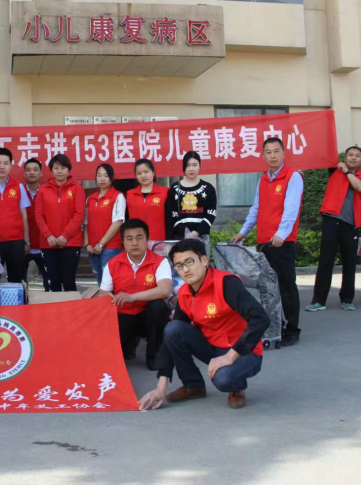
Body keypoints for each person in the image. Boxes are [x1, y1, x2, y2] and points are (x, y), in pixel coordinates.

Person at [139, 239, 270, 410]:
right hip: (212, 346)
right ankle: (193, 386)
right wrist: (161, 387)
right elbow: (170, 339)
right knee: (173, 329)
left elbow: (261, 318)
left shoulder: (226, 283)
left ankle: (237, 388)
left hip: (242, 351)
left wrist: (230, 356)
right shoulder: (185, 293)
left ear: (204, 260)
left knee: (223, 379)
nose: (185, 269)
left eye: (189, 262)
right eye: (179, 265)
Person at [232, 137, 303, 347]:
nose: (273, 156)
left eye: (276, 151)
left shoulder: (293, 176)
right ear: (263, 156)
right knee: (269, 288)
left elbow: (291, 210)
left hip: (282, 243)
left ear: (284, 153)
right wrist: (243, 232)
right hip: (264, 242)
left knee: (286, 286)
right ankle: (275, 326)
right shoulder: (263, 179)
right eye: (268, 152)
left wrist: (281, 234)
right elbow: (256, 208)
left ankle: (292, 329)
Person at [100, 219, 172, 370]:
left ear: (147, 240)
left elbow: (165, 290)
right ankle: (131, 342)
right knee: (123, 354)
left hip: (147, 316)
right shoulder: (113, 263)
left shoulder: (160, 262)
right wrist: (110, 297)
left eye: (139, 238)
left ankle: (153, 355)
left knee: (158, 307)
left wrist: (131, 297)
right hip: (123, 315)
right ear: (123, 242)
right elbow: (103, 292)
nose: (134, 243)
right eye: (129, 238)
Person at [307, 146, 361, 312]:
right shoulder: (334, 170)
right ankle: (318, 300)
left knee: (349, 263)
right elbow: (324, 153)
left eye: (357, 156)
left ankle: (347, 299)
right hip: (331, 220)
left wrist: (347, 172)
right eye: (350, 155)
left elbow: (360, 188)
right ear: (345, 156)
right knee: (325, 261)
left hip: (351, 224)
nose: (353, 158)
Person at [35, 154, 85, 292]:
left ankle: (72, 307)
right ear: (51, 170)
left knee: (69, 281)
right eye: (56, 168)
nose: (59, 171)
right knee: (53, 283)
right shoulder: (43, 189)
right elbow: (39, 215)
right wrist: (48, 235)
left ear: (68, 170)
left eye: (63, 168)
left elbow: (79, 214)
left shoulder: (77, 188)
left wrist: (65, 235)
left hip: (70, 243)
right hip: (48, 243)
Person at [0, 148, 31, 284]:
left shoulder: (18, 186)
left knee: (16, 279)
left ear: (11, 165)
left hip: (16, 241)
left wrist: (26, 241)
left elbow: (24, 215)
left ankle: (16, 300)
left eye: (5, 163)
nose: (2, 167)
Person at [166, 151, 217, 255]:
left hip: (202, 237)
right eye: (188, 165)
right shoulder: (174, 188)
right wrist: (185, 234)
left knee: (201, 264)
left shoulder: (208, 188)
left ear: (200, 166)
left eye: (194, 165)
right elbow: (172, 214)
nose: (191, 169)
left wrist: (195, 233)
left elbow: (211, 214)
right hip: (180, 238)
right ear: (183, 166)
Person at [84, 163, 125, 285]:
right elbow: (85, 223)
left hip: (111, 247)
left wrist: (101, 244)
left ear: (112, 178)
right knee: (99, 280)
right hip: (92, 248)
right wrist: (86, 244)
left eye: (106, 175)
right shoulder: (90, 198)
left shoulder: (118, 196)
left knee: (110, 281)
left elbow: (117, 222)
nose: (102, 179)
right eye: (99, 175)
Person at [126, 159, 169, 242]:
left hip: (159, 241)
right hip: (136, 241)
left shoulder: (164, 192)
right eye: (139, 173)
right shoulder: (130, 194)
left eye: (146, 172)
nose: (143, 176)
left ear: (153, 172)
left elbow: (169, 220)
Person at [23, 158, 49, 291]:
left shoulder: (47, 192)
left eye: (35, 170)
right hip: (23, 245)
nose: (32, 173)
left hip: (43, 244)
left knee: (49, 282)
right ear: (24, 174)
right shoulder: (18, 191)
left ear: (41, 173)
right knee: (20, 282)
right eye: (28, 170)